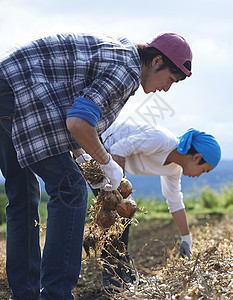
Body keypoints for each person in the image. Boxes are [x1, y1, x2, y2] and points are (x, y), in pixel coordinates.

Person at [0, 31, 192, 299]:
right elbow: (78, 122)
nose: (166, 89)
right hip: (22, 89)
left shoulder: (120, 55)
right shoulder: (126, 70)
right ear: (156, 60)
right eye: (170, 79)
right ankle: (56, 295)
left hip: (9, 81)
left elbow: (68, 110)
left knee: (22, 194)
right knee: (70, 189)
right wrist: (107, 163)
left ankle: (24, 295)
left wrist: (84, 158)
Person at [76, 121, 221, 291]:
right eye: (204, 170)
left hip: (109, 159)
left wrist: (186, 240)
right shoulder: (161, 140)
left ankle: (124, 275)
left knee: (123, 213)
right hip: (94, 145)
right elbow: (117, 149)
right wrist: (119, 191)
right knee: (118, 213)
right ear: (196, 157)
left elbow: (174, 201)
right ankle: (113, 278)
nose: (200, 175)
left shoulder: (174, 169)